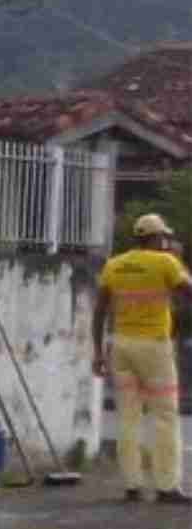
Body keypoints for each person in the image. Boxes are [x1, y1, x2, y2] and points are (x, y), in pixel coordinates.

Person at [91, 210, 188, 506]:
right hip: (154, 349)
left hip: (120, 346)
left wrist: (97, 351)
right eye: (165, 237)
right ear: (157, 237)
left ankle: (132, 486)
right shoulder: (166, 262)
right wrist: (178, 260)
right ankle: (167, 486)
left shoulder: (114, 265)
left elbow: (99, 312)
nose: (167, 241)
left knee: (128, 418)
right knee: (164, 416)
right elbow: (188, 290)